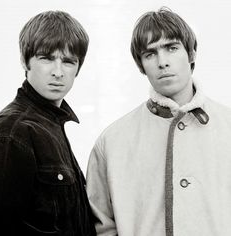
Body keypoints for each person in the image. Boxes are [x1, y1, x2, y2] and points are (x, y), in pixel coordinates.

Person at [86, 7, 231, 236]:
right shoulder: (112, 142)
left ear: (191, 54)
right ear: (141, 65)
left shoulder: (228, 128)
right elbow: (100, 226)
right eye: (150, 54)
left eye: (172, 48)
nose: (162, 62)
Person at [0, 10, 96, 235]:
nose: (58, 72)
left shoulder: (51, 124)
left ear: (78, 68)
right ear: (25, 60)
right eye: (46, 58)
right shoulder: (12, 131)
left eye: (68, 61)